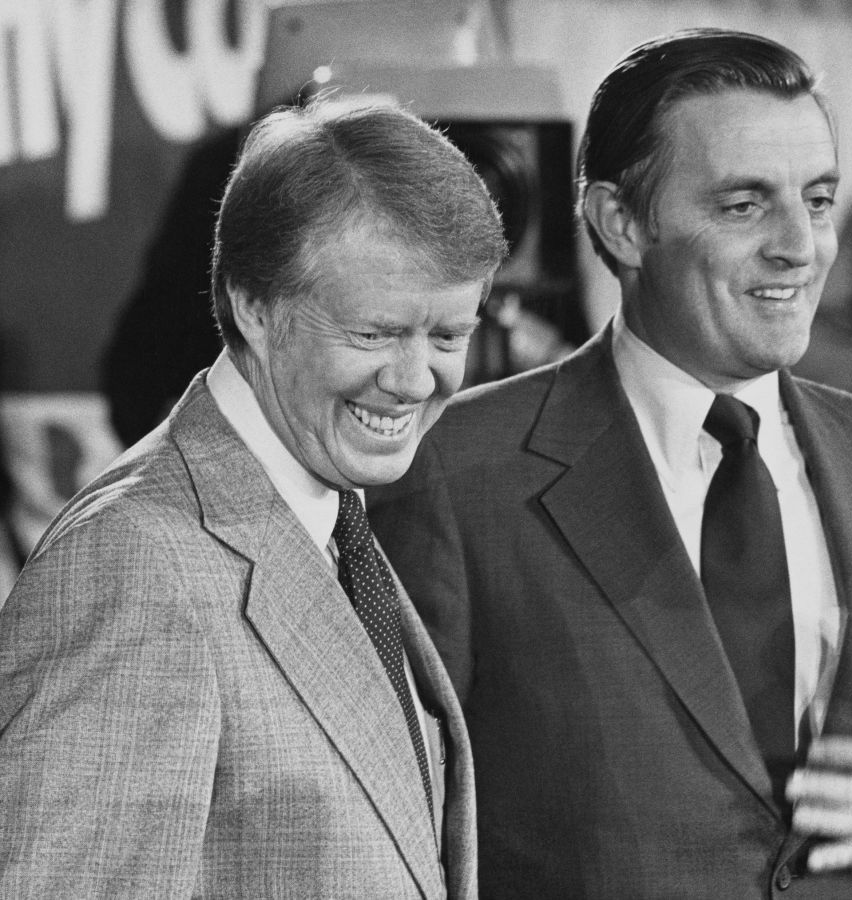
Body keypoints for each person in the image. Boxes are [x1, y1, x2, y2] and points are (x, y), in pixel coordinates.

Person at [367, 29, 852, 899]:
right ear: (623, 222)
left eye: (821, 199)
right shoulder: (458, 471)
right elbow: (385, 820)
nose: (801, 247)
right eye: (744, 205)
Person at [0, 98, 507, 897]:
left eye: (448, 336)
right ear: (256, 309)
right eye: (374, 333)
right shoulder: (131, 566)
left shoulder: (337, 522)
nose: (416, 381)